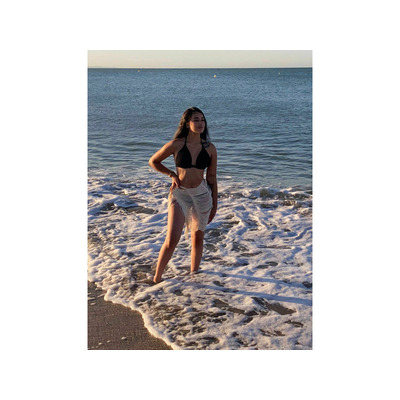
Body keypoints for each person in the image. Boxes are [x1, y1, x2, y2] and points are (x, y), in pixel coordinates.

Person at [149, 107, 218, 284]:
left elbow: (211, 177)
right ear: (187, 123)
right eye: (196, 120)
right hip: (180, 194)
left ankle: (194, 276)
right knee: (172, 239)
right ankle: (157, 279)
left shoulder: (210, 148)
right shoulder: (176, 144)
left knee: (198, 238)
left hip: (202, 195)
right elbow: (154, 161)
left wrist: (215, 203)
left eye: (202, 120)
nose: (201, 123)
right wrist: (172, 174)